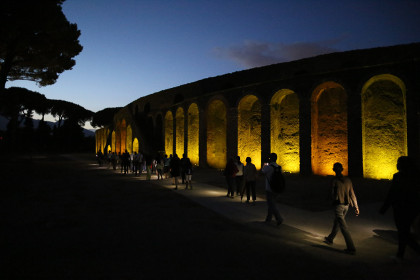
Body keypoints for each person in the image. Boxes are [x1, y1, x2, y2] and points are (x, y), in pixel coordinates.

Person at [379, 156, 420, 262]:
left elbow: (392, 194)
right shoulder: (415, 176)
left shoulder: (399, 177)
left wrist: (384, 208)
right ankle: (400, 255)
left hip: (401, 209)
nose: (396, 164)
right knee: (403, 232)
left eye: (398, 162)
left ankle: (405, 254)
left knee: (403, 233)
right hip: (411, 209)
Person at [324, 162, 359, 255]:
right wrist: (356, 206)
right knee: (338, 222)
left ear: (334, 170)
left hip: (339, 205)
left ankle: (351, 248)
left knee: (343, 226)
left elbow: (331, 194)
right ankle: (330, 238)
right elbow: (352, 194)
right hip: (346, 206)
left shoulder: (334, 181)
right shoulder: (348, 180)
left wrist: (330, 202)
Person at [262, 153, 283, 225]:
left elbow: (263, 171)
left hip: (269, 188)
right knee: (271, 203)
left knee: (271, 204)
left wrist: (265, 165)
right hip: (277, 188)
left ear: (270, 159)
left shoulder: (268, 167)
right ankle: (268, 219)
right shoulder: (279, 167)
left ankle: (279, 218)